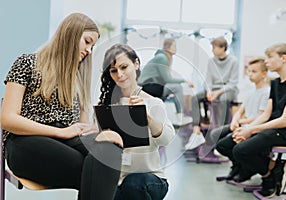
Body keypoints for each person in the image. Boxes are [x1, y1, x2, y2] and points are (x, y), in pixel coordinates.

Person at [1, 13, 124, 200]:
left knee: (109, 151)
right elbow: (7, 119)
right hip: (25, 141)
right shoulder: (27, 63)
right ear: (70, 33)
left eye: (93, 46)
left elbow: (82, 129)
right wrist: (61, 132)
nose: (89, 50)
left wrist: (100, 133)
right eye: (87, 42)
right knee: (97, 169)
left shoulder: (79, 79)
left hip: (67, 141)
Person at [216, 43, 286, 198]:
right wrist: (246, 128)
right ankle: (273, 168)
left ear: (283, 58)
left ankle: (269, 175)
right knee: (233, 145)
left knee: (241, 150)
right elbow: (266, 114)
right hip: (270, 129)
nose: (266, 62)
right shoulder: (275, 83)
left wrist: (252, 130)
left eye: (270, 57)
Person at [98, 43, 175, 200]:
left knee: (133, 184)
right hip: (117, 181)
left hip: (150, 179)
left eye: (124, 67)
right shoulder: (107, 107)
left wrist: (147, 117)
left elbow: (166, 139)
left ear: (136, 64)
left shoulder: (153, 103)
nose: (119, 74)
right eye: (114, 70)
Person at [202, 57, 269, 178]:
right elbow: (241, 110)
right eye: (249, 71)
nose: (250, 74)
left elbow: (261, 116)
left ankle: (244, 167)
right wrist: (235, 120)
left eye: (254, 71)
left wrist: (241, 121)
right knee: (214, 134)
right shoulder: (251, 91)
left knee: (223, 145)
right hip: (243, 124)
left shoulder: (266, 92)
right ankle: (238, 165)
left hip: (253, 128)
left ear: (264, 74)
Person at [185, 36, 239, 150]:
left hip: (227, 90)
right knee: (195, 98)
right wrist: (209, 91)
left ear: (223, 48)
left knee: (224, 99)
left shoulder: (233, 61)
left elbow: (233, 83)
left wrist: (218, 93)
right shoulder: (211, 61)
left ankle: (221, 135)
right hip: (213, 89)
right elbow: (208, 80)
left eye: (214, 47)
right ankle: (197, 131)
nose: (212, 50)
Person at [138, 38, 194, 122]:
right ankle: (180, 117)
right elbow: (168, 79)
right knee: (178, 88)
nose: (176, 49)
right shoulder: (162, 58)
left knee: (174, 90)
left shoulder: (162, 57)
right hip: (151, 87)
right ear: (167, 47)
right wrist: (185, 81)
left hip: (152, 86)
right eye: (174, 46)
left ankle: (179, 116)